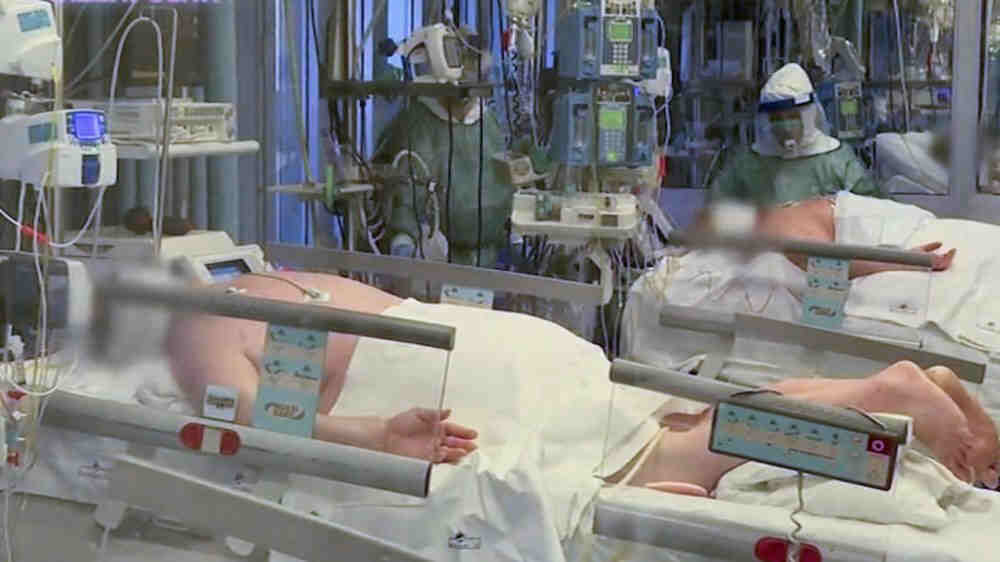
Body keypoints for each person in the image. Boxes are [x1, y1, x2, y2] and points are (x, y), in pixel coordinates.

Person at [165, 270, 998, 491]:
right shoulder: (288, 279)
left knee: (665, 459)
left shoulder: (196, 321)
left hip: (430, 365)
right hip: (494, 339)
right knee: (664, 420)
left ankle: (875, 403)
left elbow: (248, 415)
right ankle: (877, 388)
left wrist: (375, 436)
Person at [374, 27, 513, 268]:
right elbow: (403, 200)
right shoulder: (417, 124)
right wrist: (403, 247)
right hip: (438, 263)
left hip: (492, 259)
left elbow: (503, 185)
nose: (466, 96)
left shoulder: (488, 123)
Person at [708, 63, 881, 207]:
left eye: (792, 116)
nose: (785, 127)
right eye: (776, 119)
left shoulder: (836, 161)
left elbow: (873, 209)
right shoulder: (749, 164)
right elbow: (716, 211)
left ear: (809, 116)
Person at [703, 194, 956, 278]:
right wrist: (907, 260)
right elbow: (833, 262)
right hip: (901, 220)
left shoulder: (782, 227)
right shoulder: (783, 214)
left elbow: (834, 263)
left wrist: (908, 260)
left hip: (890, 224)